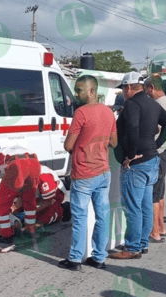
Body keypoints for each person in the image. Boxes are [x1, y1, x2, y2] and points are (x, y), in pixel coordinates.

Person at [110, 72, 166, 260]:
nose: (123, 92)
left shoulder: (131, 104)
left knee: (133, 208)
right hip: (152, 160)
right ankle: (142, 244)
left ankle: (132, 248)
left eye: (123, 88)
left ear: (129, 87)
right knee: (146, 205)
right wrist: (156, 145)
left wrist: (131, 154)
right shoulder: (152, 103)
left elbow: (132, 128)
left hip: (137, 164)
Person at [58, 75, 117, 271]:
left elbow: (68, 145)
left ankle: (75, 259)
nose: (76, 94)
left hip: (84, 173)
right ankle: (99, 257)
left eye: (79, 90)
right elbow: (114, 142)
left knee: (80, 217)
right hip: (103, 172)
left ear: (91, 91)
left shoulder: (81, 113)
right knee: (102, 215)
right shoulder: (109, 112)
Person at [144, 75, 166, 242]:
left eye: (146, 89)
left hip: (159, 151)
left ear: (151, 87)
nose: (146, 93)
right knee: (160, 192)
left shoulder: (158, 104)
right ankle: (161, 227)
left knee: (153, 194)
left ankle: (154, 231)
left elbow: (156, 128)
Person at [0, 146, 41, 239]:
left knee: (1, 202)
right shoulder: (9, 151)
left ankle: (6, 234)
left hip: (17, 164)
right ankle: (30, 229)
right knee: (29, 198)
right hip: (34, 163)